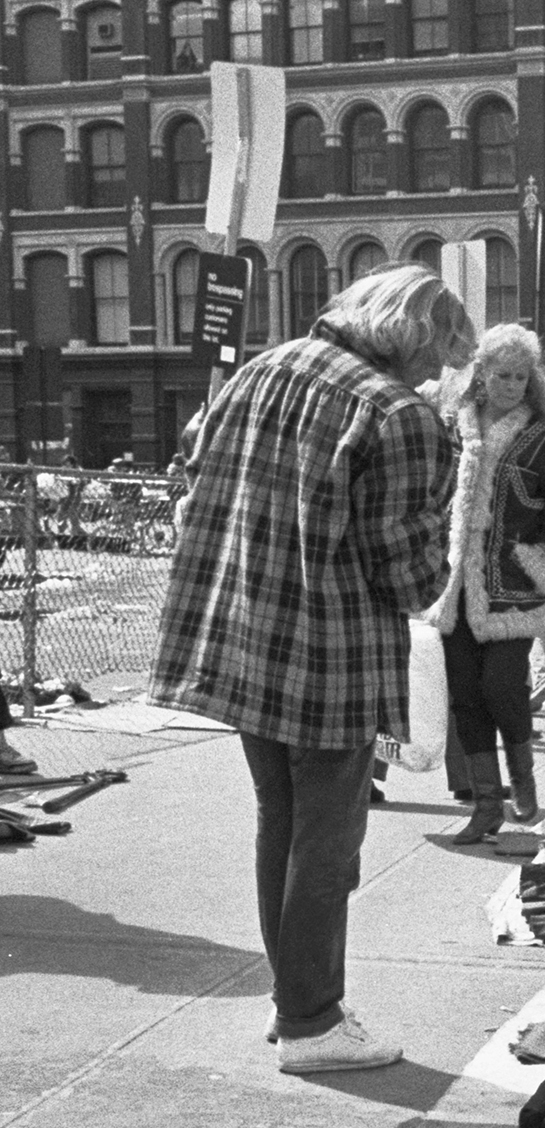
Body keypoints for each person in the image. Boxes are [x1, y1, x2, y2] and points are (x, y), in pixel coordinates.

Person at [149, 264, 472, 1074]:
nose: (439, 373)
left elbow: (195, 491)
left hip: (243, 631)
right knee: (326, 840)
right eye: (440, 352)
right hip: (329, 645)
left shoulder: (263, 369)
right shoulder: (397, 413)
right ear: (412, 332)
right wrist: (444, 539)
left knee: (281, 822)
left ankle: (292, 1000)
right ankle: (312, 1022)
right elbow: (406, 574)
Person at [422, 324, 545, 844]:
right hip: (453, 588)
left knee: (503, 688)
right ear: (481, 375)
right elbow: (427, 497)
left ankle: (524, 786)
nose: (512, 384)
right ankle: (486, 804)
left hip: (513, 588)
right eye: (502, 374)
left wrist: (539, 563)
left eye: (521, 376)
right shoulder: (452, 428)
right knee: (465, 696)